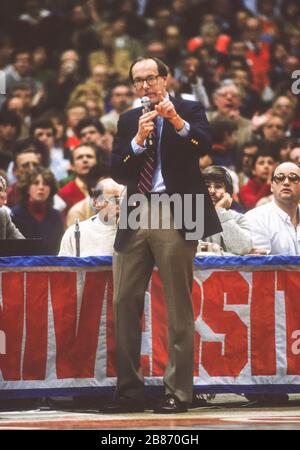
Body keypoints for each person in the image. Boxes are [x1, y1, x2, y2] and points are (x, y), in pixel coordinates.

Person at [107, 56, 221, 414]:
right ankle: (129, 392)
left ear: (165, 79)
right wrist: (138, 140)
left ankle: (178, 392)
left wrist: (176, 121)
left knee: (177, 305)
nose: (144, 85)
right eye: (137, 80)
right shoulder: (128, 119)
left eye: (150, 78)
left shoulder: (189, 107)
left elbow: (204, 146)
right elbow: (117, 171)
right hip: (136, 210)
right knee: (124, 300)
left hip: (178, 208)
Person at [59, 177, 123, 257]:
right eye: (114, 200)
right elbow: (64, 267)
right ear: (96, 203)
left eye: (124, 199)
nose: (120, 204)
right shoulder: (75, 232)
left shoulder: (135, 233)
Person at [245, 162, 300, 255]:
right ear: (271, 186)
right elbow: (262, 265)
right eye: (279, 177)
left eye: (293, 178)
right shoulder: (255, 218)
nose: (286, 182)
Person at [11, 167, 64, 255]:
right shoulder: (14, 215)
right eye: (36, 183)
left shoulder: (55, 216)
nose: (41, 187)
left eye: (46, 184)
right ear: (27, 188)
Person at [200, 166, 252, 255]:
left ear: (228, 194)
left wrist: (220, 211)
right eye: (207, 186)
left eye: (218, 186)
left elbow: (244, 248)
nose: (212, 191)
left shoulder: (238, 218)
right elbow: (190, 250)